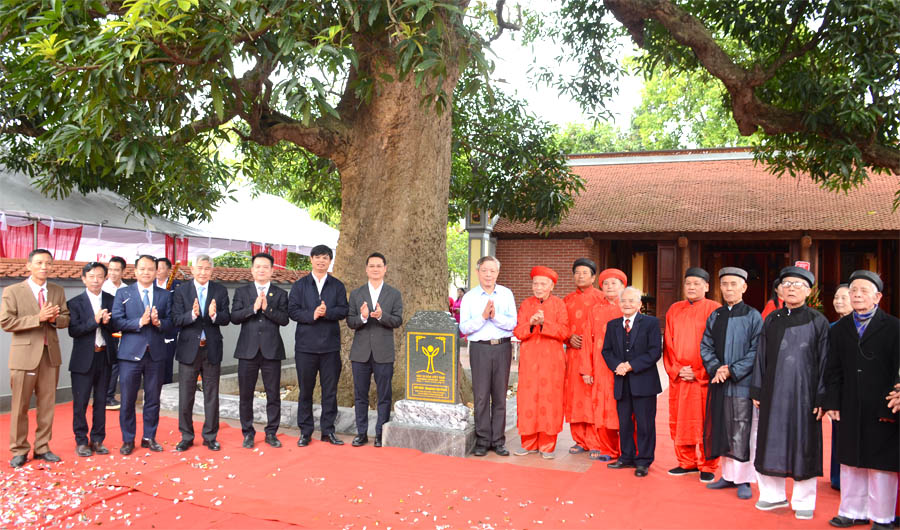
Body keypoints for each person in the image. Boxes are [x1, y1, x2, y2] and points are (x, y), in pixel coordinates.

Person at [751, 266, 829, 520]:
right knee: (769, 440)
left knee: (803, 443)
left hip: (804, 394)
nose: (792, 288)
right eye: (787, 284)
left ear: (808, 290)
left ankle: (803, 500)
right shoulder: (771, 319)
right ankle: (772, 496)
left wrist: (821, 396)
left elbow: (826, 361)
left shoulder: (818, 320)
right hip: (773, 392)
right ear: (780, 290)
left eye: (798, 284)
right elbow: (760, 357)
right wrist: (757, 389)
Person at [825, 271, 899, 530]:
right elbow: (832, 369)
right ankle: (851, 511)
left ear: (877, 297)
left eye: (863, 290)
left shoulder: (893, 327)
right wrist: (832, 401)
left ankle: (882, 517)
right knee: (850, 460)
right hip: (849, 403)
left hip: (882, 404)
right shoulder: (840, 328)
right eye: (853, 290)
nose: (857, 294)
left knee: (881, 465)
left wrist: (892, 403)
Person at [1, 249, 70, 468]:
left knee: (47, 404)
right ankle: (19, 449)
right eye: (39, 262)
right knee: (20, 405)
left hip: (50, 356)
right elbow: (6, 322)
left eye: (48, 263)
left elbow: (66, 318)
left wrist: (54, 319)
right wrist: (37, 318)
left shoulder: (58, 290)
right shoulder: (13, 291)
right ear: (28, 265)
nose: (44, 267)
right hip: (24, 356)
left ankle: (42, 447)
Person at [700, 267, 762, 500]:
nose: (728, 288)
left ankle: (744, 478)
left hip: (742, 383)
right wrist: (717, 367)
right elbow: (705, 345)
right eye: (724, 284)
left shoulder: (753, 316)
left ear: (744, 287)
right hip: (719, 382)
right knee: (722, 427)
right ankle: (727, 475)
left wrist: (732, 370)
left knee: (742, 429)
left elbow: (756, 350)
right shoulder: (716, 315)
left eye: (734, 284)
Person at [111, 255, 174, 455]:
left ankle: (149, 437)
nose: (146, 272)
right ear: (135, 271)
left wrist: (158, 323)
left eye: (150, 269)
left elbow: (172, 322)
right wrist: (139, 322)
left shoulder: (165, 295)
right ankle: (128, 439)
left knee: (153, 398)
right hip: (130, 355)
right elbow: (116, 321)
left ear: (157, 272)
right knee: (128, 398)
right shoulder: (123, 293)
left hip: (155, 354)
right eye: (142, 269)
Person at [663, 267, 721, 481]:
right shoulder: (674, 310)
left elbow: (719, 346)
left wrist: (699, 371)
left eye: (697, 283)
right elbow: (668, 344)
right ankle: (686, 462)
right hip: (681, 378)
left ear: (706, 286)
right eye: (688, 283)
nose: (692, 287)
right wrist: (678, 370)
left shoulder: (715, 309)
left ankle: (708, 465)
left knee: (707, 422)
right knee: (681, 421)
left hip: (704, 379)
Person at [288, 244, 348, 447]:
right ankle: (305, 431)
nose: (321, 261)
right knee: (306, 390)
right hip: (305, 347)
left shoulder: (337, 286)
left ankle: (328, 431)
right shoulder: (300, 285)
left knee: (329, 391)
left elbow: (344, 310)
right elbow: (292, 311)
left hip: (330, 347)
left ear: (330, 261)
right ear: (311, 260)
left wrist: (327, 312)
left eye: (325, 258)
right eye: (317, 257)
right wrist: (312, 314)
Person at [459, 255, 517, 457]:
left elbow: (512, 324)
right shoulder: (469, 297)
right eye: (484, 270)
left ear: (498, 272)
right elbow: (464, 327)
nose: (489, 274)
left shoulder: (506, 294)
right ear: (478, 272)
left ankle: (499, 441)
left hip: (502, 348)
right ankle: (483, 440)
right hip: (480, 349)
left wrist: (495, 317)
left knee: (500, 395)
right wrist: (483, 318)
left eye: (492, 270)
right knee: (482, 396)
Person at [231, 252, 290, 449]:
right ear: (252, 270)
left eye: (265, 267)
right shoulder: (242, 292)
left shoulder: (280, 294)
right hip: (247, 351)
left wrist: (267, 309)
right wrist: (253, 308)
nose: (261, 270)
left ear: (272, 271)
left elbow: (284, 319)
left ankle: (271, 432)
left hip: (271, 350)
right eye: (258, 266)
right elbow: (234, 317)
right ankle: (247, 432)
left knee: (273, 394)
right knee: (245, 395)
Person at [601, 286, 662, 477]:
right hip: (621, 382)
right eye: (623, 301)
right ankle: (626, 457)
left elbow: (654, 352)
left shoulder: (651, 323)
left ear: (639, 305)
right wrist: (618, 365)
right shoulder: (612, 325)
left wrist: (630, 366)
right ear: (619, 304)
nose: (627, 304)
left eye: (631, 301)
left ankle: (643, 461)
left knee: (645, 423)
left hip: (644, 382)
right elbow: (607, 351)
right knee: (624, 422)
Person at [172, 255, 231, 452]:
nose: (203, 272)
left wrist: (214, 315)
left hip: (212, 348)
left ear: (211, 271)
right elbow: (176, 319)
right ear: (192, 270)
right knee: (186, 395)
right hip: (189, 349)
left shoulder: (220, 290)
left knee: (211, 394)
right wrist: (192, 315)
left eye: (207, 268)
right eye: (200, 268)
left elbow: (226, 318)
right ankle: (186, 436)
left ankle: (210, 436)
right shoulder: (182, 291)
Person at [346, 252, 403, 447]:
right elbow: (350, 321)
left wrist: (380, 316)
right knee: (360, 395)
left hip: (384, 352)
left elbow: (398, 320)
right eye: (372, 266)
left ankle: (380, 433)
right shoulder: (356, 294)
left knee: (384, 395)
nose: (375, 269)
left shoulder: (394, 294)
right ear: (366, 269)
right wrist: (363, 317)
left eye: (379, 266)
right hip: (360, 353)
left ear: (385, 269)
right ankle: (361, 433)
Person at [513, 266, 569, 459]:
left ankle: (547, 445)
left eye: (543, 284)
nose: (538, 287)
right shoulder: (526, 304)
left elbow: (564, 332)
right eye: (535, 283)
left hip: (552, 361)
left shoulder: (559, 305)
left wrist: (545, 323)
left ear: (551, 286)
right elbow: (518, 332)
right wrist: (531, 323)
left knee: (550, 399)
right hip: (529, 360)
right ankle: (528, 442)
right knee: (527, 398)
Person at [67, 262, 117, 457]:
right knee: (80, 402)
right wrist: (94, 321)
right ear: (84, 279)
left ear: (105, 278)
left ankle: (97, 439)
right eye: (92, 276)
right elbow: (74, 331)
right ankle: (81, 441)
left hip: (104, 356)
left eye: (99, 276)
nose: (96, 280)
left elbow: (116, 327)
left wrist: (107, 323)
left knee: (101, 401)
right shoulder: (74, 303)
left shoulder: (112, 300)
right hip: (82, 359)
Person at [583, 267, 627, 461]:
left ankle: (625, 449)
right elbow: (587, 341)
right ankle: (607, 448)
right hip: (600, 365)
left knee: (623, 406)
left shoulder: (627, 306)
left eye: (614, 283)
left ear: (622, 286)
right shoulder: (595, 309)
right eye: (606, 283)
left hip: (623, 366)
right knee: (601, 406)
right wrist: (586, 369)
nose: (610, 287)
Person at [562, 258, 604, 456]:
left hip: (595, 356)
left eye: (585, 272)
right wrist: (569, 337)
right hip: (573, 355)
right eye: (577, 272)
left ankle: (595, 441)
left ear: (593, 277)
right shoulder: (566, 300)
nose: (580, 276)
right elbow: (560, 325)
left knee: (592, 397)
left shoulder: (601, 299)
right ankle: (579, 440)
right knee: (574, 396)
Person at [829, 283, 852, 491]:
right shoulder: (832, 328)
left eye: (844, 297)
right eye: (837, 297)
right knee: (838, 433)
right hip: (838, 389)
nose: (839, 301)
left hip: (857, 389)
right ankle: (837, 476)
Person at [103, 256, 127, 410]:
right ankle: (107, 396)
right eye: (110, 269)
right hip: (107, 331)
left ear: (123, 271)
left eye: (116, 270)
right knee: (110, 365)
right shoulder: (103, 288)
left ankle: (111, 395)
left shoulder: (126, 289)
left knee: (119, 364)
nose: (112, 273)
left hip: (124, 332)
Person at [155, 257, 181, 385]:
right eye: (157, 268)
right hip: (152, 331)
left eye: (161, 268)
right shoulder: (150, 284)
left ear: (169, 270)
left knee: (167, 363)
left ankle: (166, 391)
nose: (158, 271)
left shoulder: (177, 286)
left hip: (169, 331)